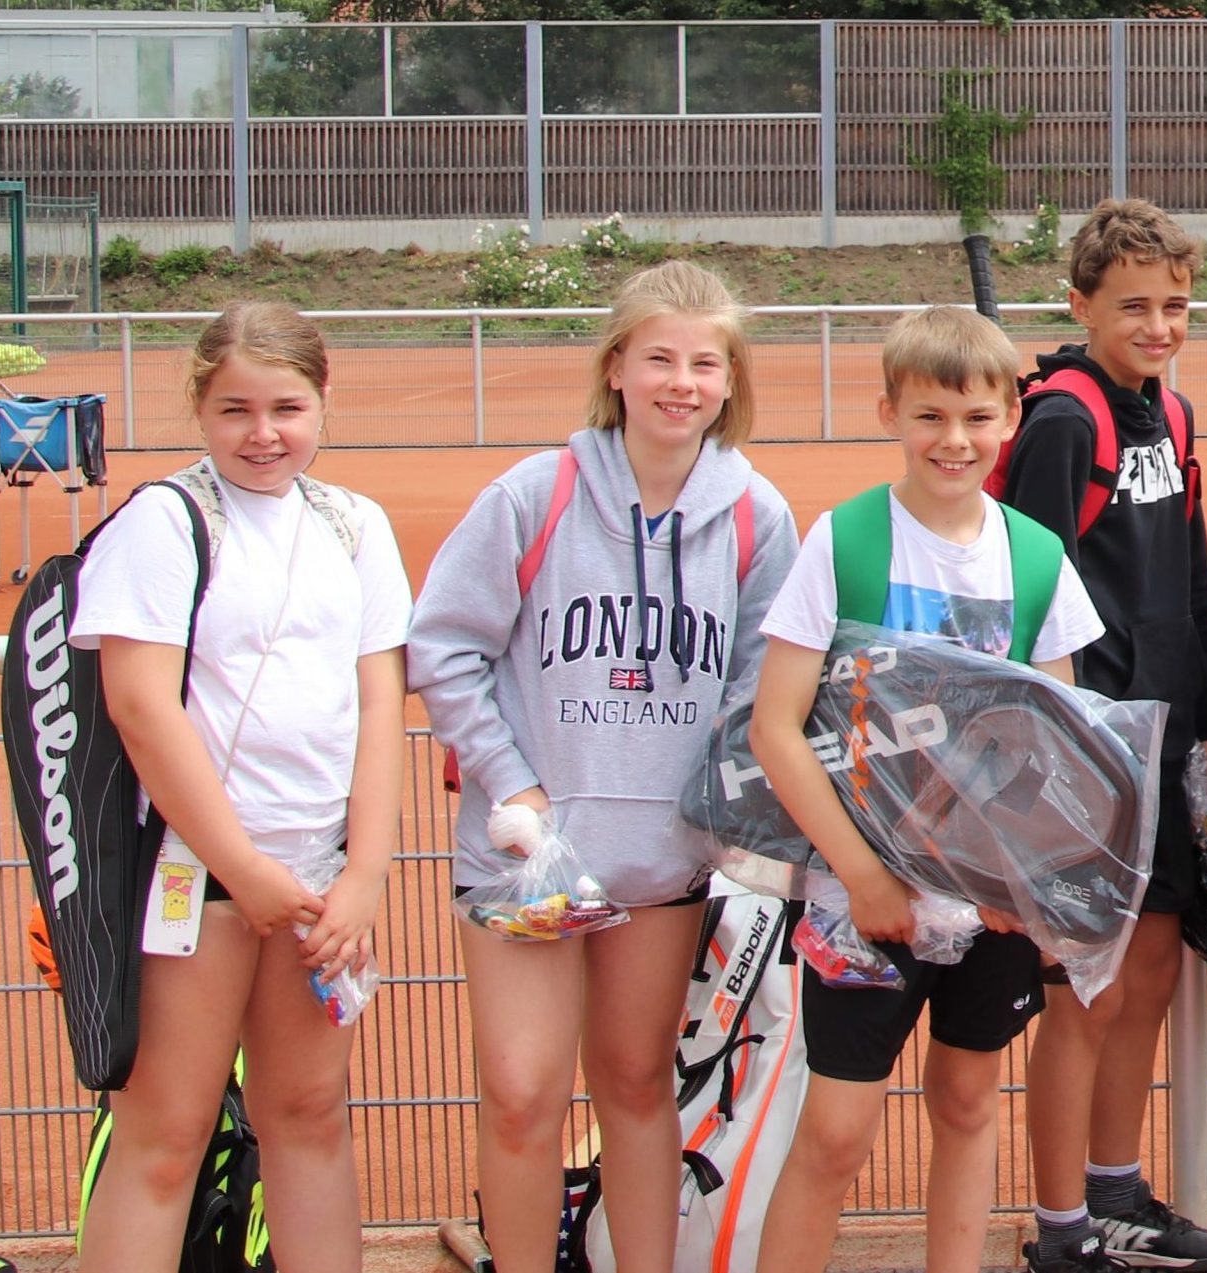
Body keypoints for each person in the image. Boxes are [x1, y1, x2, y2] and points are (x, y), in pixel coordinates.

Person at [408, 261, 798, 1273]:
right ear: (616, 366)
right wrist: (510, 781)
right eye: (659, 357)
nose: (682, 382)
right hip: (530, 856)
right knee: (522, 1094)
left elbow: (759, 690)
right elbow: (442, 647)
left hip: (659, 863)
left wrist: (720, 815)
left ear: (730, 379)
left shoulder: (756, 517)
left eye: (705, 362)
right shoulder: (534, 494)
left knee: (635, 1086)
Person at [748, 305, 1107, 1273]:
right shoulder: (845, 539)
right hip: (859, 894)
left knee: (966, 1100)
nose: (955, 440)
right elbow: (775, 725)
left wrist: (1015, 879)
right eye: (930, 416)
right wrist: (864, 876)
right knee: (835, 1131)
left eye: (978, 418)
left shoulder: (1035, 554)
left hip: (990, 900)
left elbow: (1054, 744)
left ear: (1009, 420)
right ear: (889, 414)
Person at [71, 300, 412, 1273]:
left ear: (324, 399)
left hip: (320, 884)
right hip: (193, 874)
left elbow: (378, 699)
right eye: (236, 410)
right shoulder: (163, 522)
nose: (263, 434)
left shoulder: (356, 526)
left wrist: (363, 875)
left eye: (286, 408)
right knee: (164, 1136)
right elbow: (141, 705)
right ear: (199, 405)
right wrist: (242, 866)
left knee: (310, 1117)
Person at [998, 197, 1207, 1273]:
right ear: (1080, 306)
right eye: (1133, 305)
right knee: (1083, 994)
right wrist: (1056, 751)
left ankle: (1116, 1193)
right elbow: (1028, 587)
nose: (1158, 325)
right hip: (1086, 745)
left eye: (1174, 306)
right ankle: (1062, 1228)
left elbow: (1191, 581)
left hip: (1163, 737)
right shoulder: (1065, 420)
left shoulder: (1171, 416)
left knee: (1145, 979)